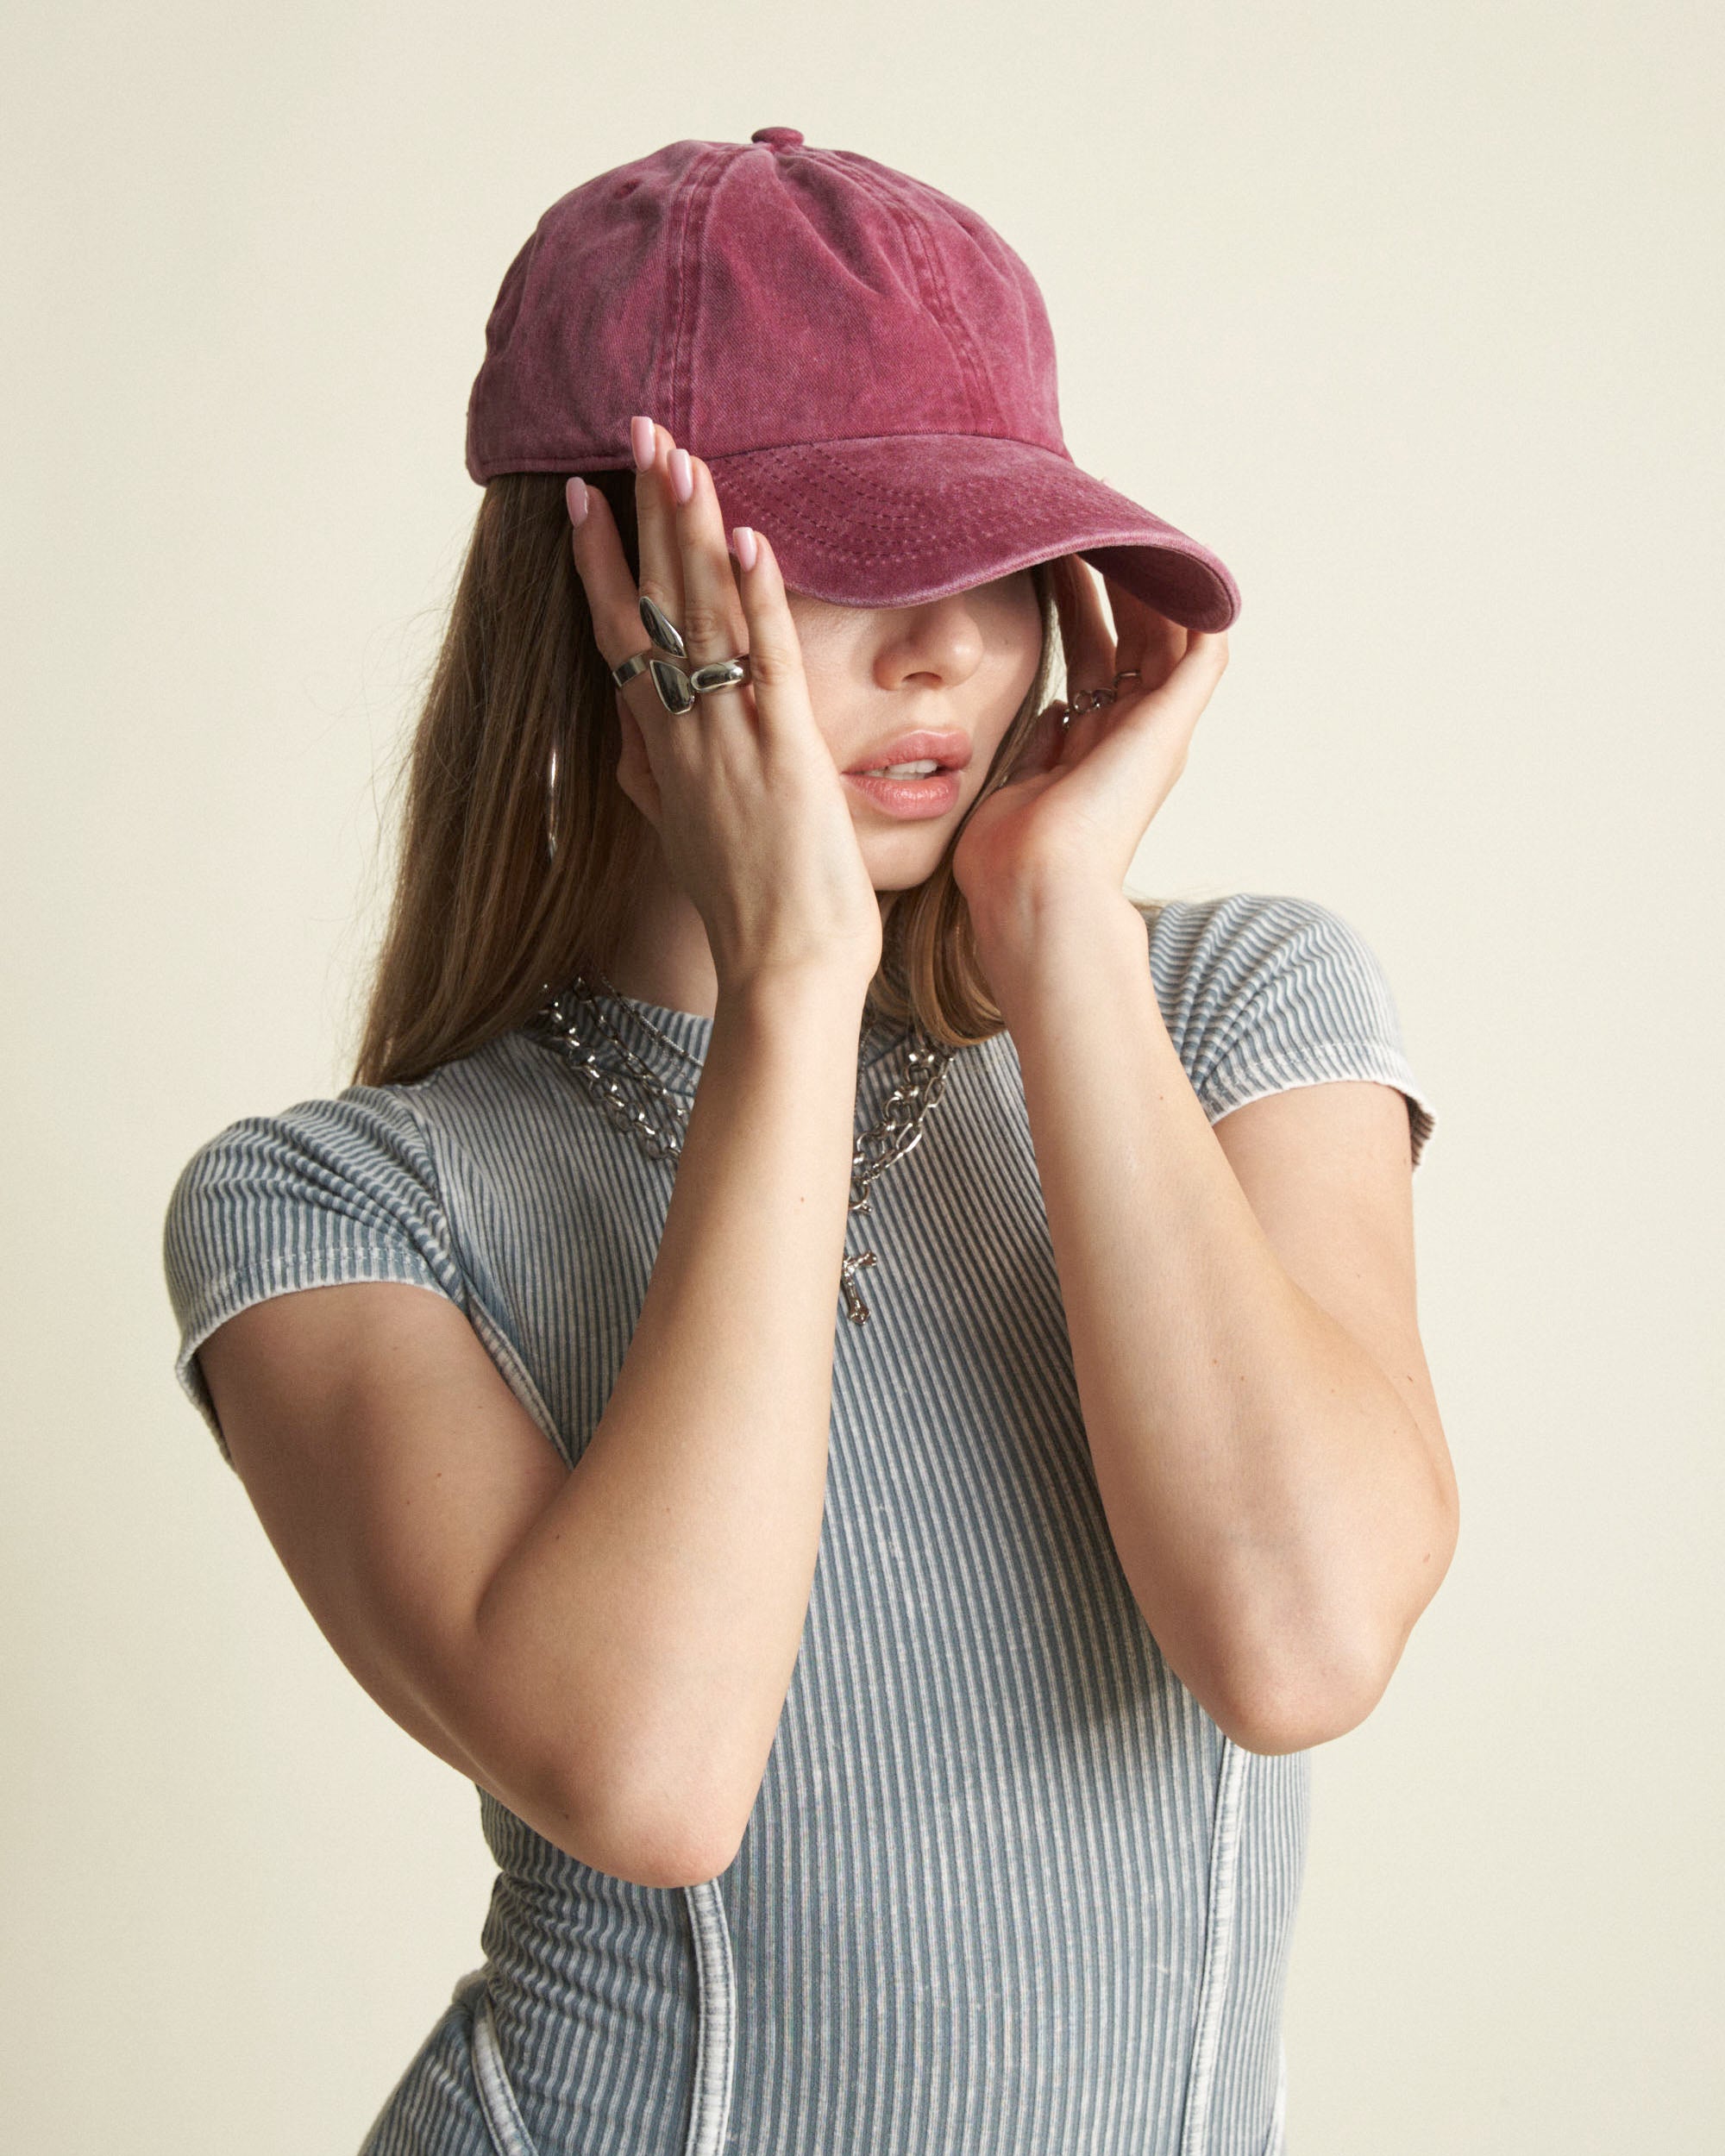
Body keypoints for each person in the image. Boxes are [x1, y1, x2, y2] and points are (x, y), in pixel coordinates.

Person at [161, 127, 1455, 2156]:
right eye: (834, 559)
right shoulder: (334, 1206)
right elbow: (655, 1768)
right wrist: (786, 989)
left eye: (990, 558)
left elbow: (1292, 1636)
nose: (941, 645)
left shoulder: (1227, 1012)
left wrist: (1057, 940)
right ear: (598, 602)